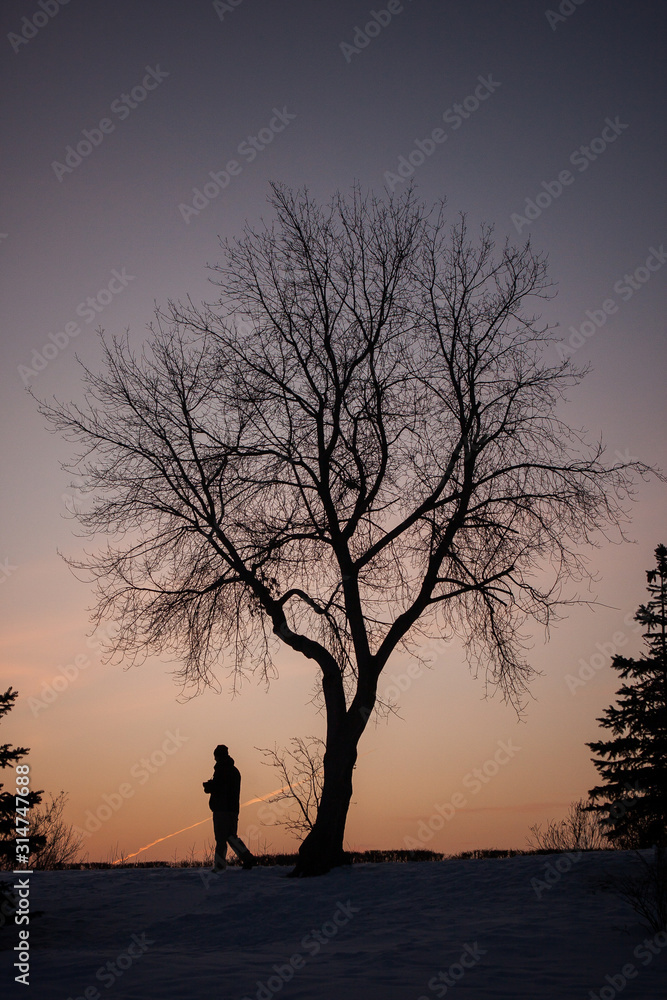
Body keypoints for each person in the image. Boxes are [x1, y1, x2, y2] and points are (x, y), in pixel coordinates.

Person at [203, 745, 255, 871]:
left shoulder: (222, 770)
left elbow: (220, 787)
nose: (215, 759)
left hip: (222, 809)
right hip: (232, 809)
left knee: (221, 839)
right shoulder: (234, 770)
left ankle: (220, 866)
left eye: (216, 756)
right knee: (231, 836)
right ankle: (247, 858)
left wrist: (209, 786)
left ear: (218, 756)